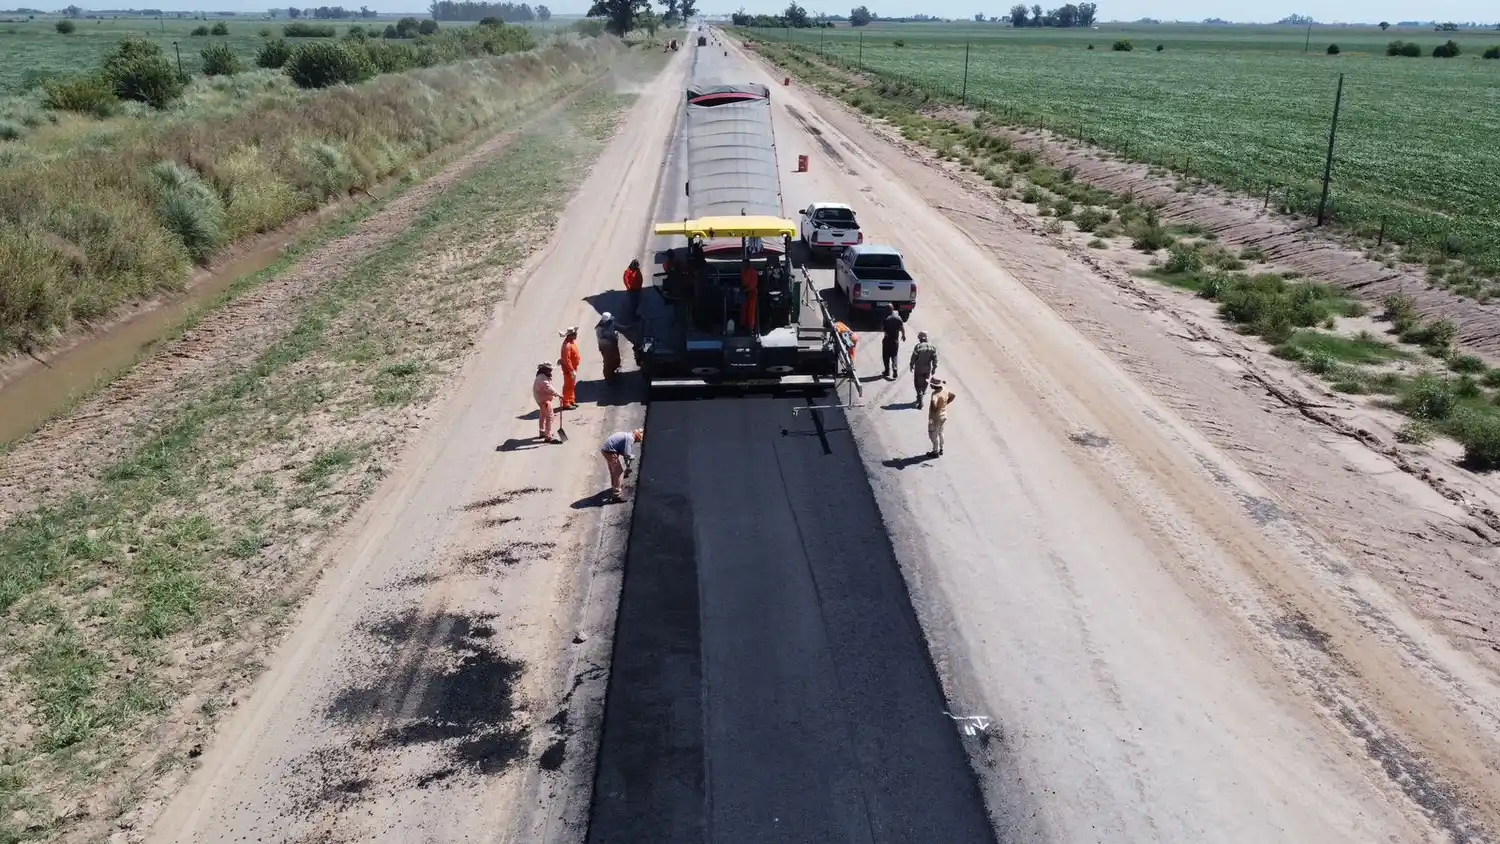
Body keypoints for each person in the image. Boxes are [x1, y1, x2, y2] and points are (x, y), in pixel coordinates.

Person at [601, 428, 644, 501]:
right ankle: (617, 494)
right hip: (610, 452)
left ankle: (615, 486)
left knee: (613, 471)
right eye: (638, 440)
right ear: (637, 437)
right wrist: (632, 457)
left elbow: (624, 455)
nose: (637, 442)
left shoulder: (627, 436)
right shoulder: (630, 439)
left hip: (606, 450)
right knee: (619, 473)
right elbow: (627, 454)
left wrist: (627, 465)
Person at [926, 376, 956, 458]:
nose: (930, 385)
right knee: (940, 432)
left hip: (934, 418)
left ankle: (935, 451)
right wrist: (945, 404)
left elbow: (934, 406)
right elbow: (953, 395)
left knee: (932, 433)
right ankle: (941, 449)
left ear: (934, 386)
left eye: (931, 384)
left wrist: (937, 405)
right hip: (944, 416)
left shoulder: (934, 395)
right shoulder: (945, 389)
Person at [533, 362, 561, 443]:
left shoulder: (541, 376)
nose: (550, 371)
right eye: (549, 370)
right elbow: (548, 388)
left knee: (543, 415)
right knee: (550, 417)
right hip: (544, 401)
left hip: (541, 399)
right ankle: (548, 436)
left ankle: (542, 431)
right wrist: (558, 394)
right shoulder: (542, 379)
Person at [908, 331, 939, 407]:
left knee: (918, 384)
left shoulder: (918, 346)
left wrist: (911, 365)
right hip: (927, 369)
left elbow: (913, 358)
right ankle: (922, 394)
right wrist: (934, 368)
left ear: (921, 338)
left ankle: (920, 398)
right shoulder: (932, 347)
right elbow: (935, 359)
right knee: (925, 383)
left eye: (919, 338)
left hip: (919, 369)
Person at [880, 304, 906, 380]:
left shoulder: (886, 319)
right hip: (895, 340)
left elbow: (882, 328)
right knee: (894, 355)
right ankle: (895, 368)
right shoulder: (898, 318)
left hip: (887, 340)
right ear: (893, 309)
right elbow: (902, 328)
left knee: (886, 356)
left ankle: (887, 371)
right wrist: (903, 335)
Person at [558, 327, 581, 410]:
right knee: (568, 386)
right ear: (571, 335)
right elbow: (567, 359)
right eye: (575, 334)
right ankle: (566, 403)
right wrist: (571, 371)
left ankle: (571, 400)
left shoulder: (570, 342)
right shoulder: (567, 345)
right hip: (569, 370)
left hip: (572, 369)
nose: (576, 335)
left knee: (572, 385)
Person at [596, 312, 621, 382]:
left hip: (612, 346)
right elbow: (603, 339)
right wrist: (613, 335)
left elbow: (617, 327)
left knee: (615, 359)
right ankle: (609, 377)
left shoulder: (609, 324)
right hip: (606, 348)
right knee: (608, 362)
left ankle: (613, 371)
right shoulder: (600, 328)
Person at [739, 263, 759, 333]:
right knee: (743, 309)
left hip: (752, 292)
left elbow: (753, 285)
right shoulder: (743, 271)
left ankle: (751, 327)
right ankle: (743, 324)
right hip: (745, 291)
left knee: (751, 310)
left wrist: (745, 289)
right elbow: (742, 281)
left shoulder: (753, 272)